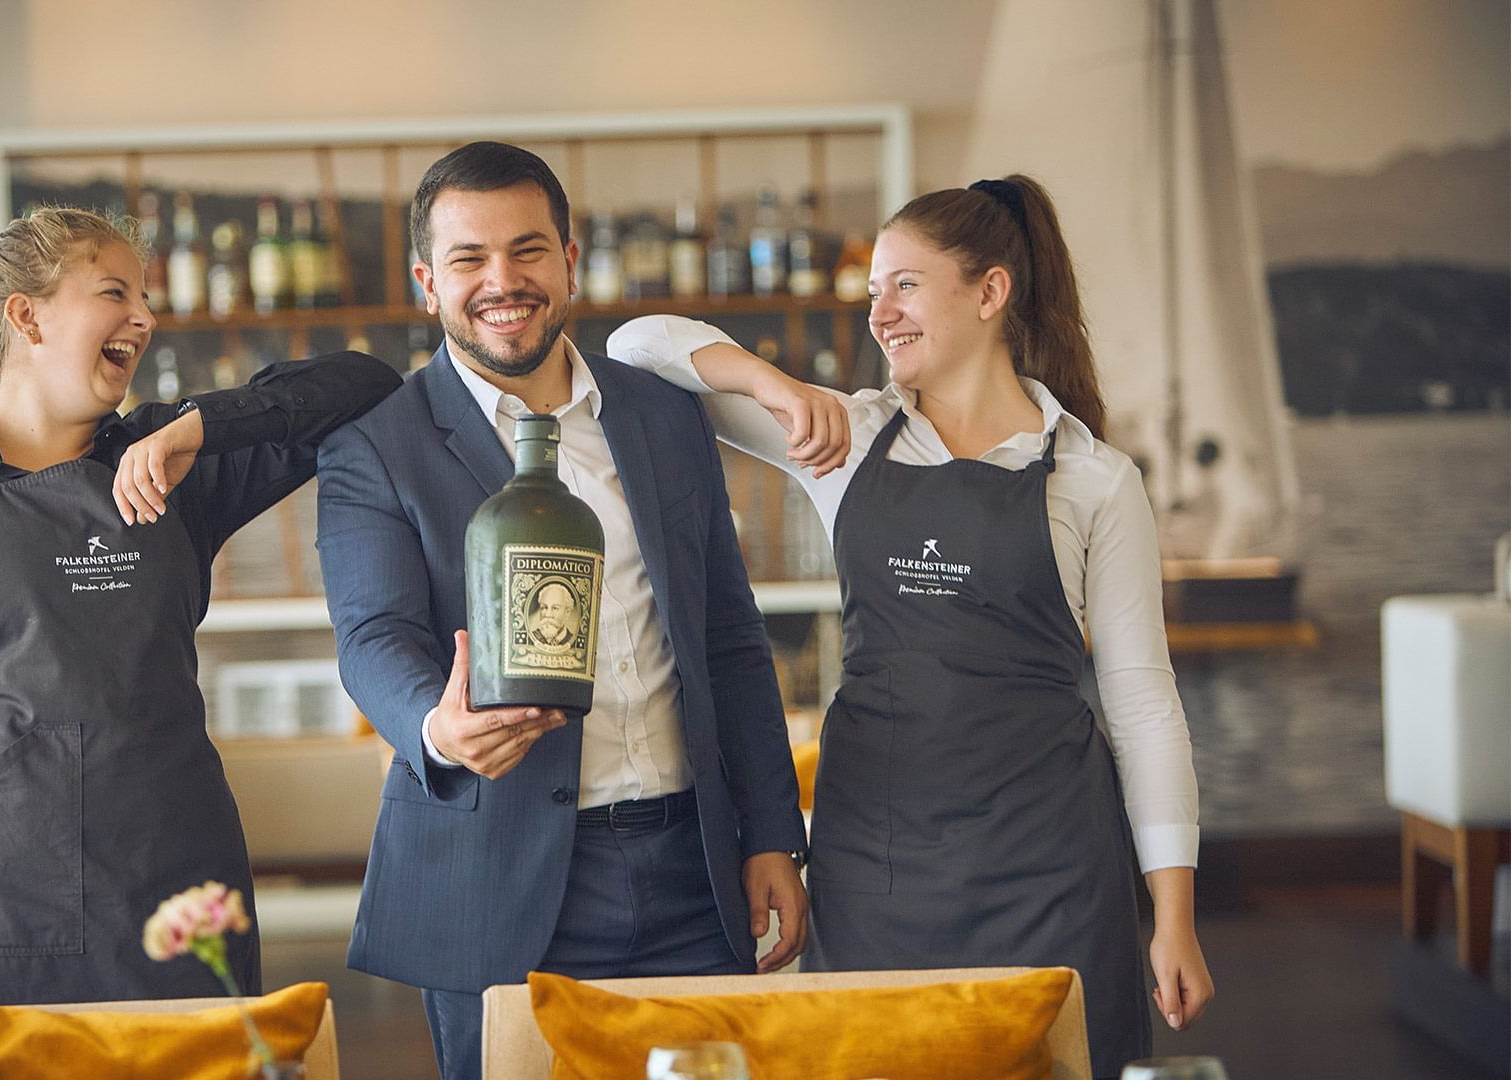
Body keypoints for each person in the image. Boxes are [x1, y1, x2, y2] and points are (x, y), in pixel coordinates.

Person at [608, 175, 1214, 1075]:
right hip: (875, 865)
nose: (879, 314)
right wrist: (773, 385)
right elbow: (632, 346)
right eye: (872, 292)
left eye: (904, 285)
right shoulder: (842, 439)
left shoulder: (1094, 477)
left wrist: (1174, 917)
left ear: (990, 291)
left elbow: (1142, 702)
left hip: (1051, 872)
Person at [316, 142, 809, 1080]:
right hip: (496, 880)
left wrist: (774, 831)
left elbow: (730, 640)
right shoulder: (378, 449)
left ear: (570, 263)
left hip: (693, 875)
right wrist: (435, 722)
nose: (503, 281)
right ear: (428, 282)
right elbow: (374, 635)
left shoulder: (661, 416)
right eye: (469, 260)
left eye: (528, 251)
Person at [0, 206, 399, 1006]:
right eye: (114, 292)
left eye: (145, 297)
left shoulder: (177, 464)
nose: (146, 317)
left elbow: (366, 385)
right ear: (26, 316)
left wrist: (198, 427)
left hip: (176, 889)